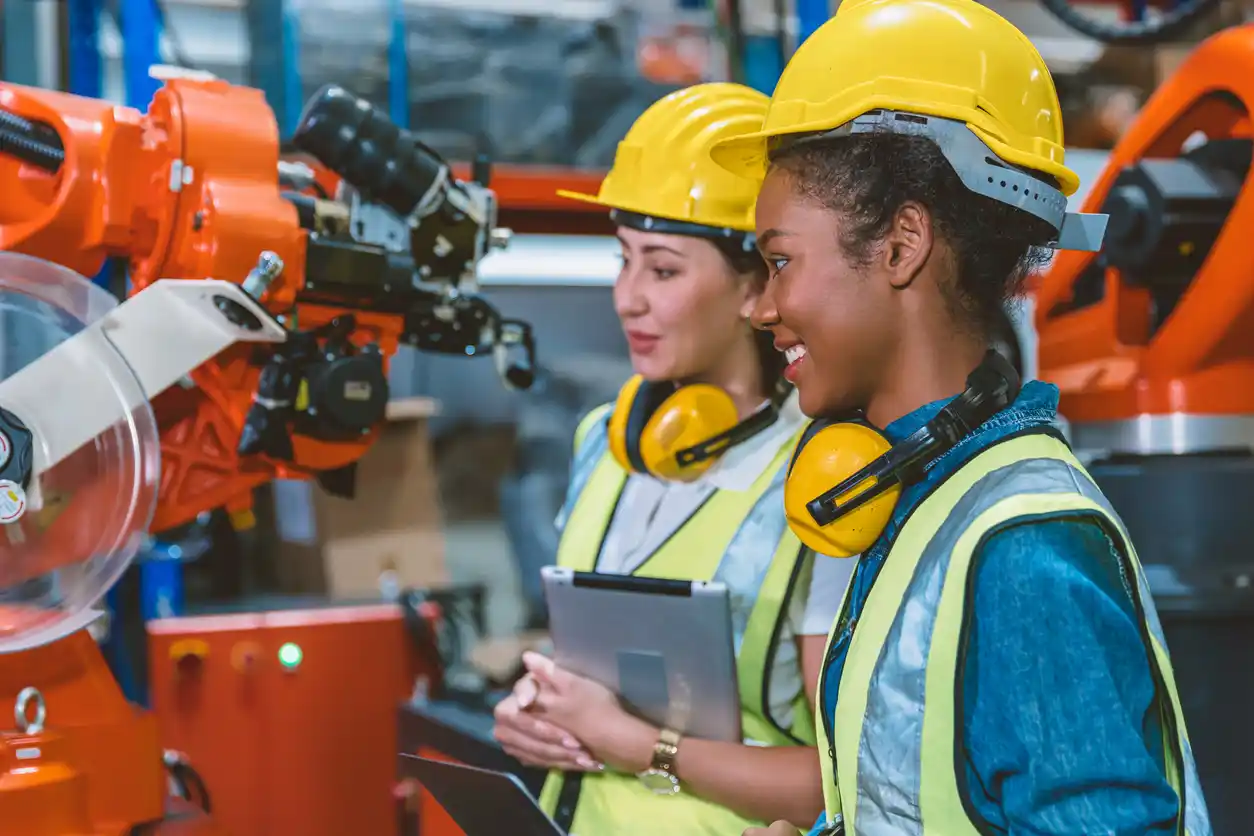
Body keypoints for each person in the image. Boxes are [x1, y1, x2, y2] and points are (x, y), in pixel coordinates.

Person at [708, 1, 1214, 834]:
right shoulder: (928, 498)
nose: (761, 308)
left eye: (780, 261)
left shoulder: (1022, 546)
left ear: (904, 245)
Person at [490, 83, 848, 835]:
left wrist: (638, 746)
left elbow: (839, 782)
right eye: (622, 262)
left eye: (662, 269)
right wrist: (535, 714)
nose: (627, 299)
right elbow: (588, 674)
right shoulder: (605, 441)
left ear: (756, 287)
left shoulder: (822, 478)